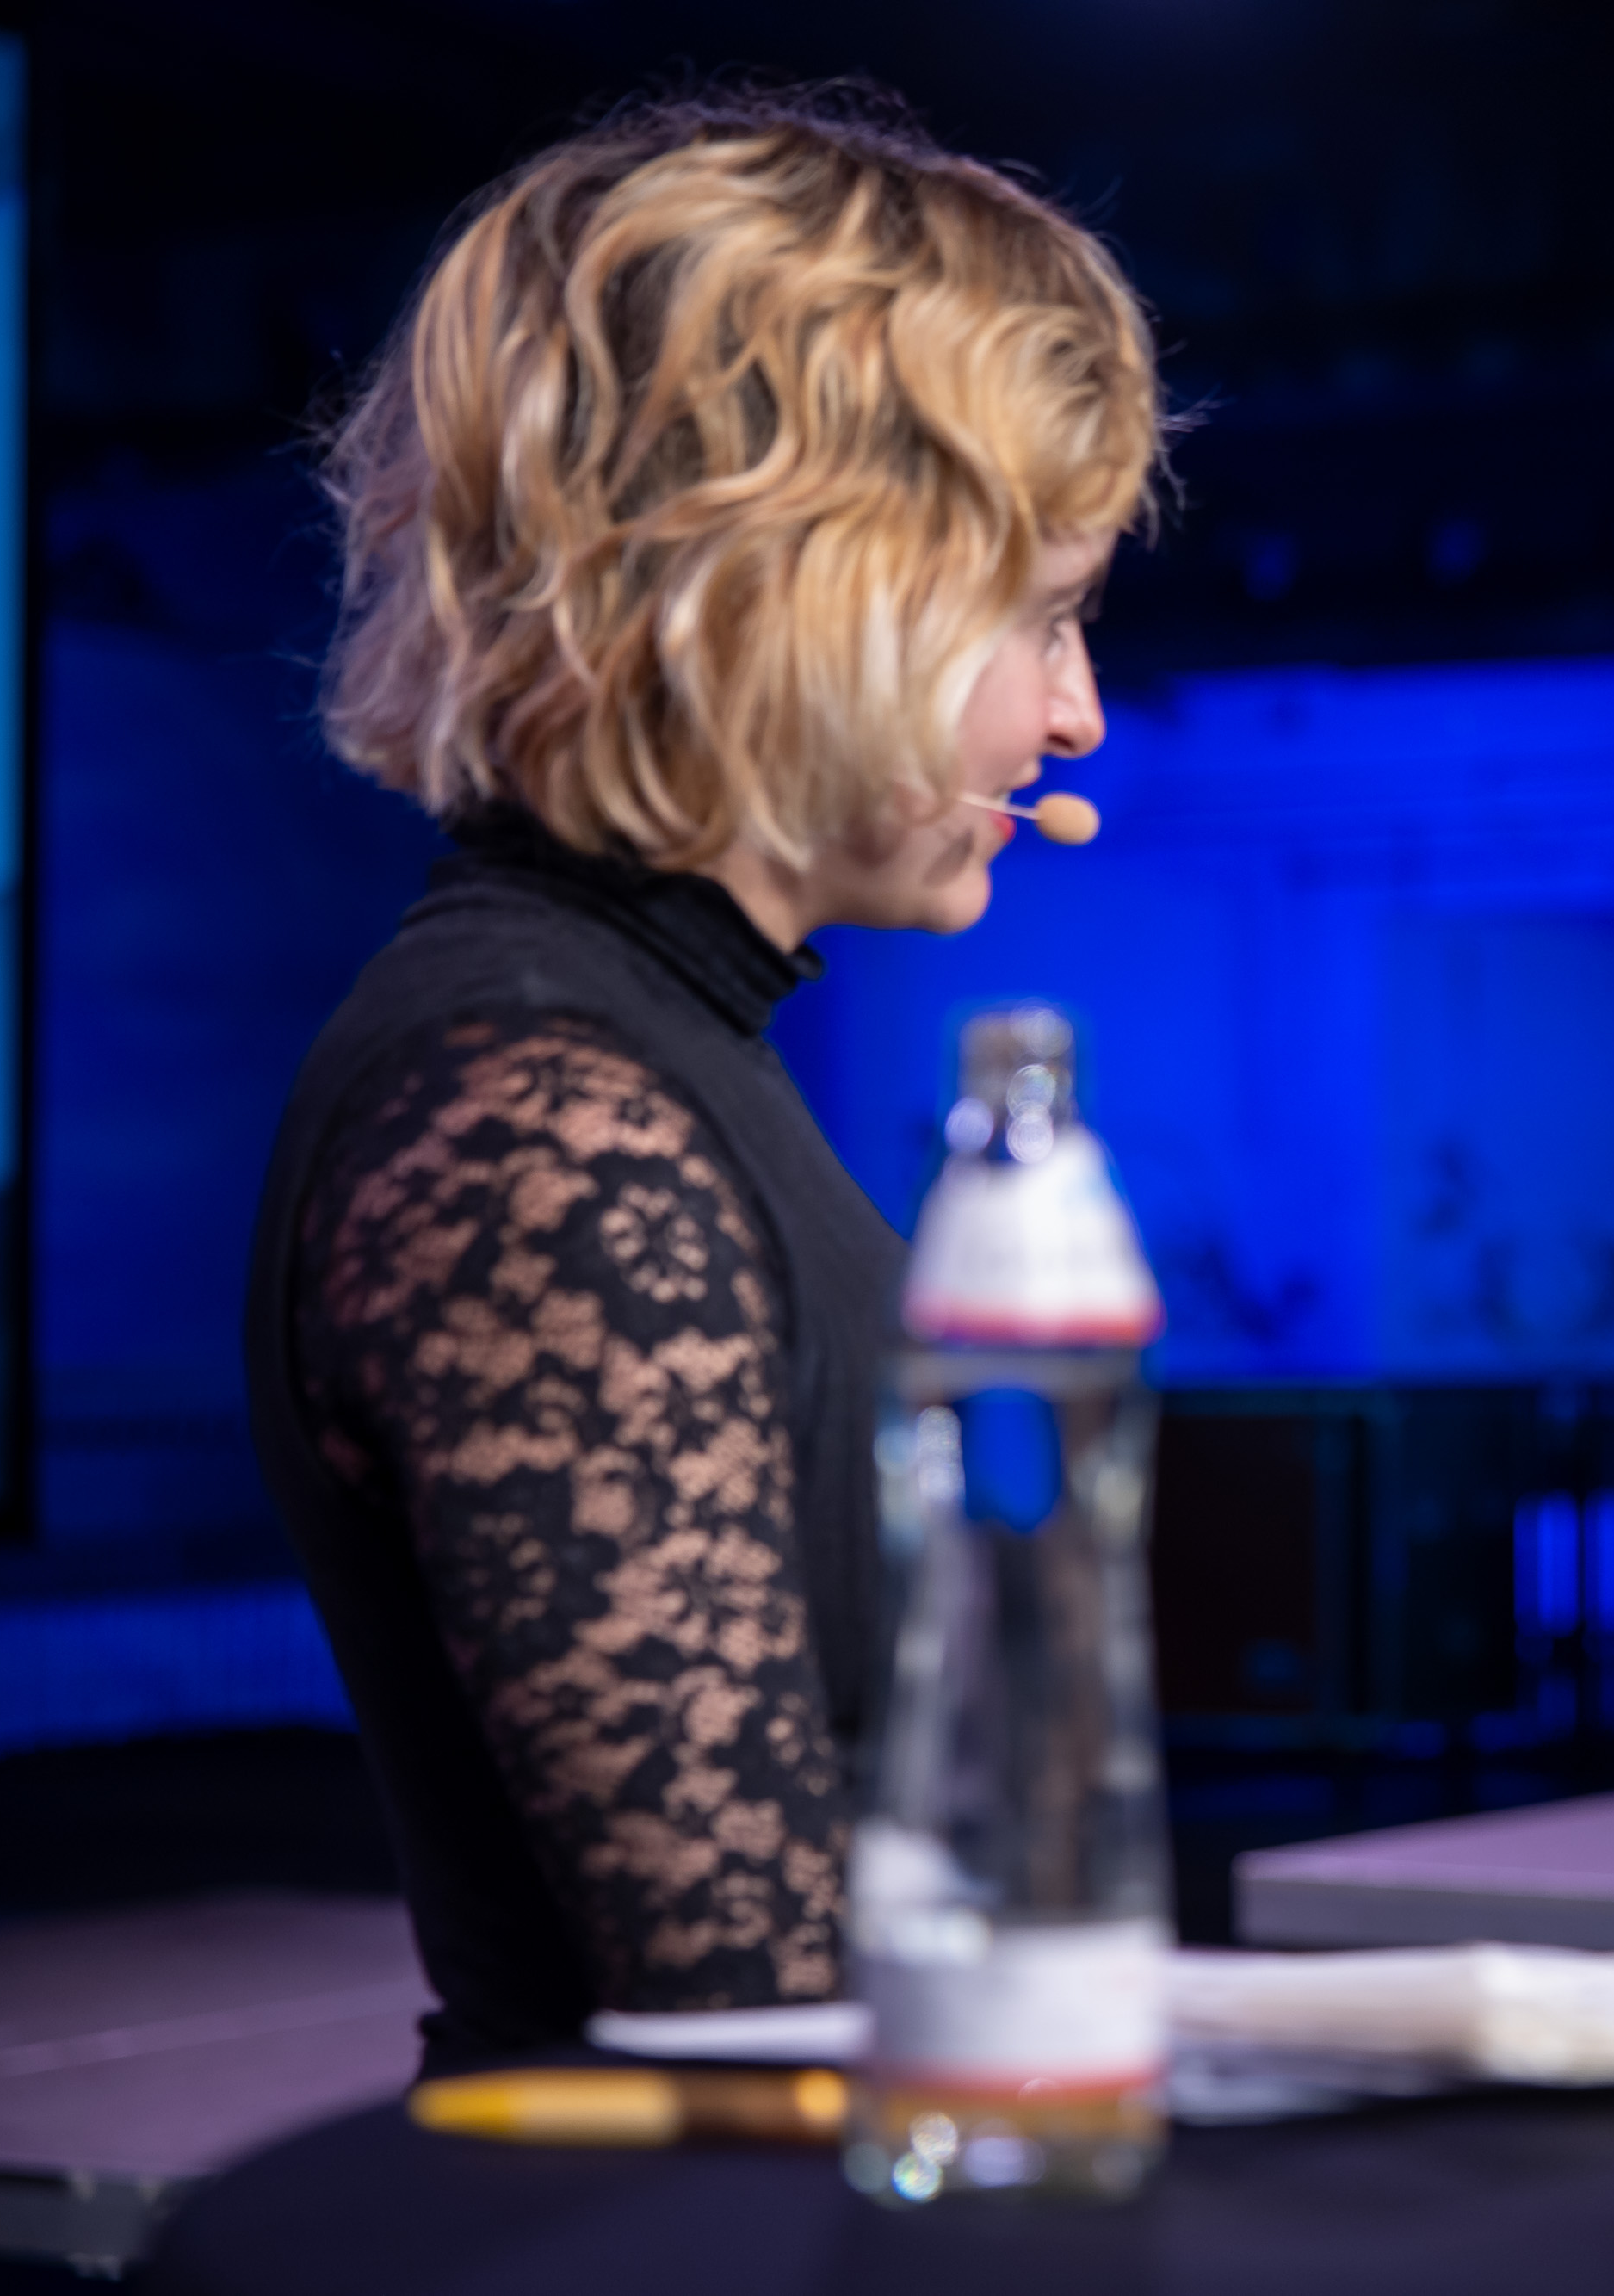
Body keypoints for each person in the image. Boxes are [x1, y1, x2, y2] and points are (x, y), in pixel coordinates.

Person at [243, 90, 1161, 2068]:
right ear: (797, 591)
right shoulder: (536, 1119)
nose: (1076, 708)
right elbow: (748, 1989)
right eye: (1039, 613)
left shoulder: (623, 1055)